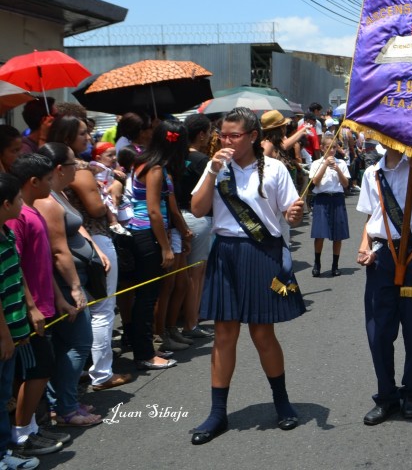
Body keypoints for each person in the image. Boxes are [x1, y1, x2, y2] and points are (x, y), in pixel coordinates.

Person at [188, 107, 306, 444]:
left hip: (262, 252)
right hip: (226, 252)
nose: (225, 141)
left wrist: (295, 213)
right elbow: (197, 209)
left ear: (253, 136)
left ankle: (282, 402)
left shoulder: (275, 170)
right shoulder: (216, 167)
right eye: (222, 135)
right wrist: (211, 172)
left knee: (261, 332)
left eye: (233, 135)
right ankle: (217, 413)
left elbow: (291, 216)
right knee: (224, 334)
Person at [355, 147, 412, 425]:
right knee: (379, 330)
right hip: (382, 258)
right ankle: (386, 395)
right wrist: (364, 247)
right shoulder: (373, 172)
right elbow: (371, 217)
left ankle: (411, 392)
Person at [33, 142, 106, 427]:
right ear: (59, 168)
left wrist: (93, 247)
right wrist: (75, 288)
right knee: (78, 343)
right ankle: (66, 407)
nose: (79, 167)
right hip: (65, 283)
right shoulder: (47, 200)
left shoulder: (58, 193)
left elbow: (76, 227)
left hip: (76, 277)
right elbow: (58, 251)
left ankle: (65, 400)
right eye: (74, 163)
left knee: (69, 344)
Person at [7, 154, 66, 458]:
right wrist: (31, 307)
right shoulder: (17, 218)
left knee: (40, 369)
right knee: (36, 370)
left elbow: (42, 262)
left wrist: (57, 297)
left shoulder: (31, 210)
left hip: (45, 305)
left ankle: (30, 427)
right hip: (27, 311)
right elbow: (14, 266)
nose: (51, 184)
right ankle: (20, 435)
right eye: (47, 180)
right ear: (33, 182)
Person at [124, 122, 189, 370]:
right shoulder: (155, 169)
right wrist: (165, 247)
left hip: (145, 233)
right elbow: (153, 211)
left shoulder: (144, 162)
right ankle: (145, 353)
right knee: (147, 297)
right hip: (147, 234)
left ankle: (146, 348)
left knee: (146, 296)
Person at [0, 172, 44, 470]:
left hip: (15, 331)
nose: (21, 204)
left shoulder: (7, 232)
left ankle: (4, 451)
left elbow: (16, 274)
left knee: (4, 395)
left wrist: (30, 307)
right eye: (18, 199)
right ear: (6, 204)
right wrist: (4, 336)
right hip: (3, 336)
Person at [177, 114, 215, 340]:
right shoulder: (203, 161)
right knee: (196, 275)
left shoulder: (175, 156)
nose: (210, 136)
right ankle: (191, 323)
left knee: (185, 274)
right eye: (209, 131)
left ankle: (184, 320)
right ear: (201, 134)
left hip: (178, 219)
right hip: (197, 219)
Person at [308, 137, 350, 277]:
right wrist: (325, 165)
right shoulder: (316, 163)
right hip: (322, 198)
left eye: (334, 147)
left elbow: (345, 184)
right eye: (328, 147)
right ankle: (317, 262)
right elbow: (315, 181)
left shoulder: (341, 163)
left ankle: (335, 265)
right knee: (319, 233)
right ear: (322, 148)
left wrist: (337, 170)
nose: (331, 150)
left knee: (338, 234)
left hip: (337, 198)